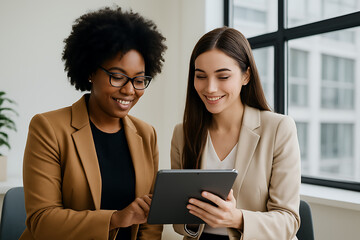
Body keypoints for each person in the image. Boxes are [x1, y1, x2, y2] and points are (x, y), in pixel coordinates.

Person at [20, 6, 166, 240]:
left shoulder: (146, 134)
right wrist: (116, 219)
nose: (129, 90)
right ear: (90, 72)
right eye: (117, 77)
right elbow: (42, 220)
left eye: (139, 80)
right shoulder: (48, 128)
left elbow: (149, 222)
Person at [171, 27, 301, 240]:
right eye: (200, 76)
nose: (210, 88)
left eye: (223, 76)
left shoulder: (279, 128)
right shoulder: (183, 133)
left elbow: (289, 221)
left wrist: (235, 218)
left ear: (246, 75)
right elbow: (179, 221)